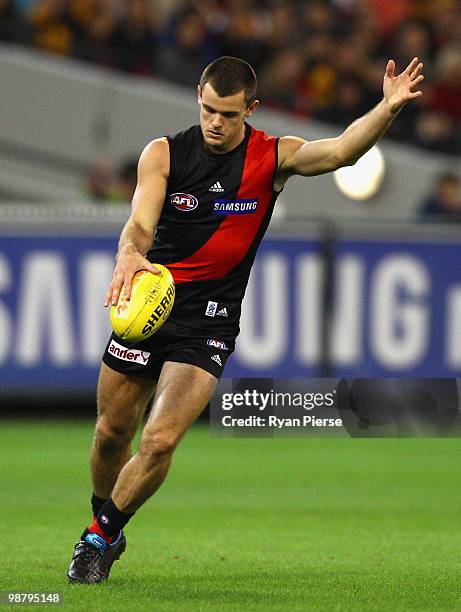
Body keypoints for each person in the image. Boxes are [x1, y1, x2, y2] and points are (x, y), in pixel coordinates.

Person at [67, 54, 424, 583]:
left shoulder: (272, 158)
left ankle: (99, 538)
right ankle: (104, 515)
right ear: (198, 98)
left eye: (228, 114)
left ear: (250, 109)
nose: (215, 122)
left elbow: (343, 151)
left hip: (209, 321)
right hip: (147, 309)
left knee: (160, 440)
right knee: (110, 434)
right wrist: (126, 254)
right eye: (208, 109)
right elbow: (139, 225)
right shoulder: (163, 154)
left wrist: (388, 107)